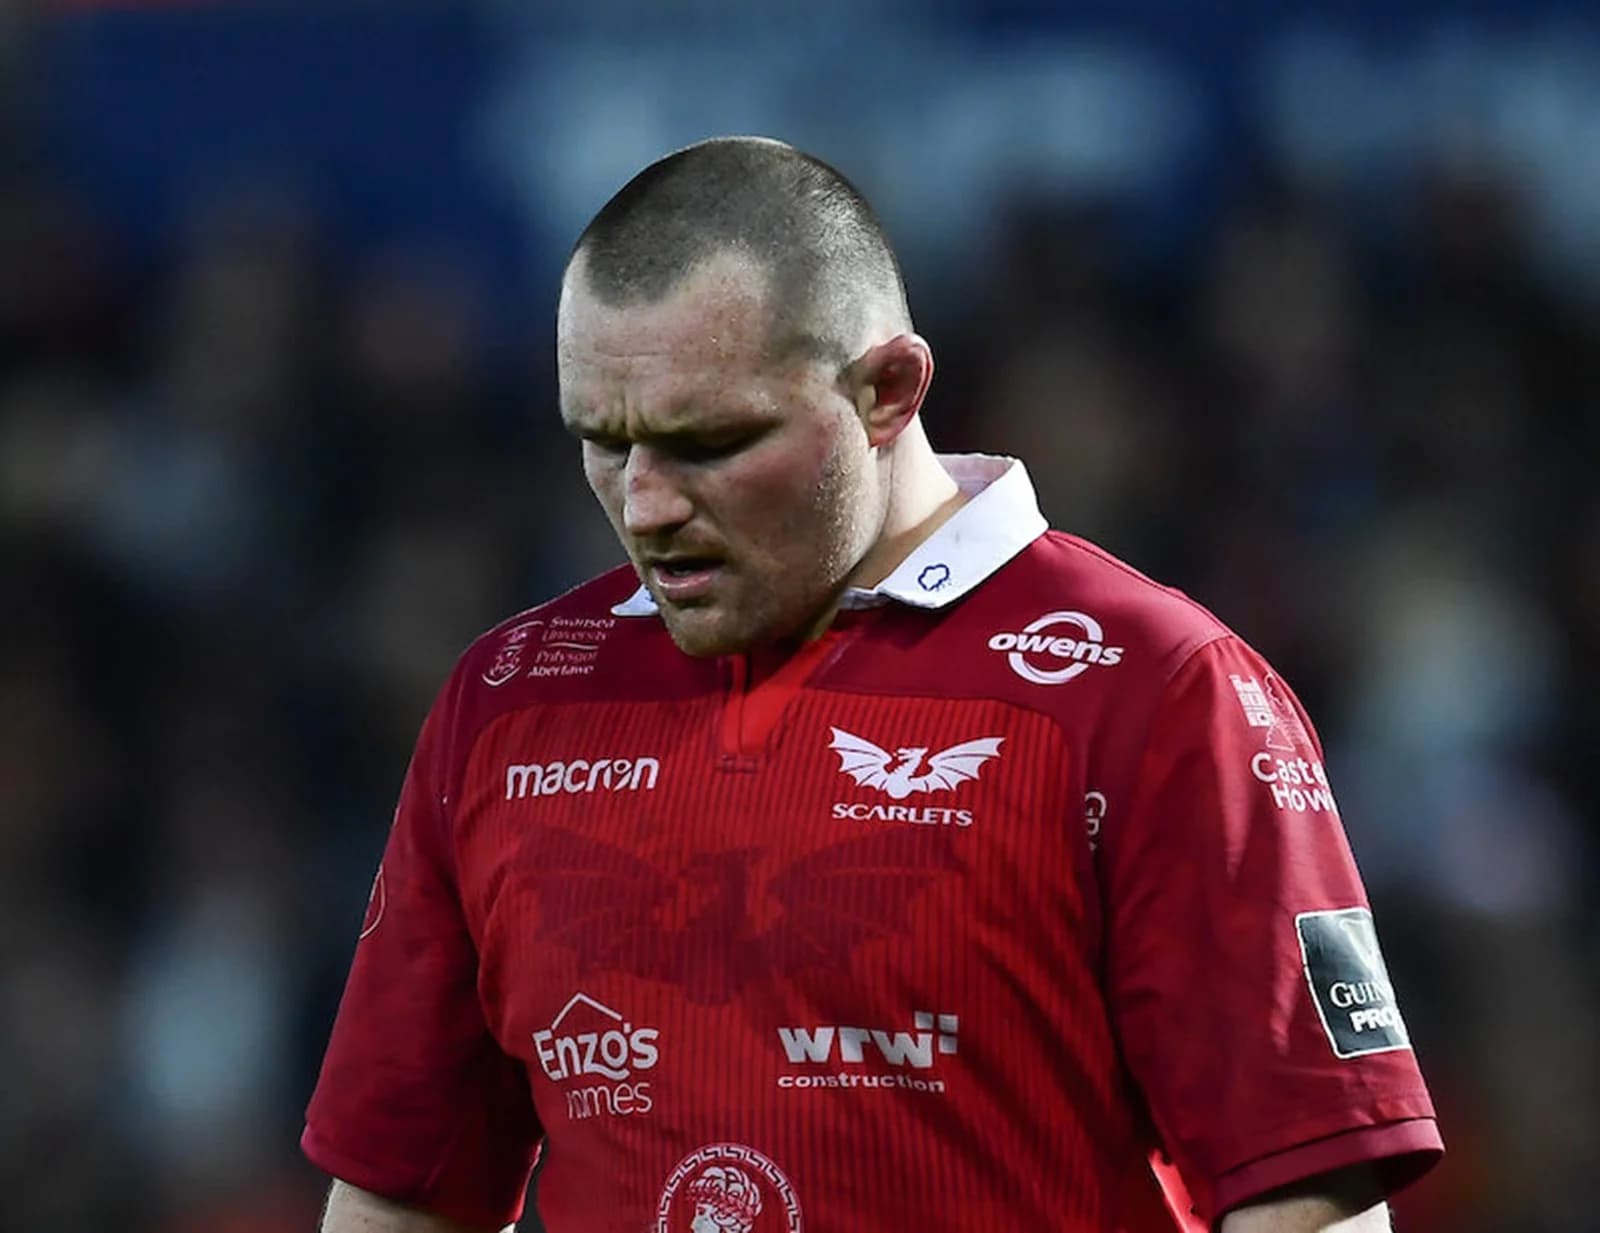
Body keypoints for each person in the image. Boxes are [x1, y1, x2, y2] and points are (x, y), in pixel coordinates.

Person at [304, 137, 1442, 1233]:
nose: (643, 505)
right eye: (604, 441)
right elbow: (405, 1194)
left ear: (888, 390)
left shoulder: (1156, 691)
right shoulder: (510, 702)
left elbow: (1306, 1192)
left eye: (708, 443)